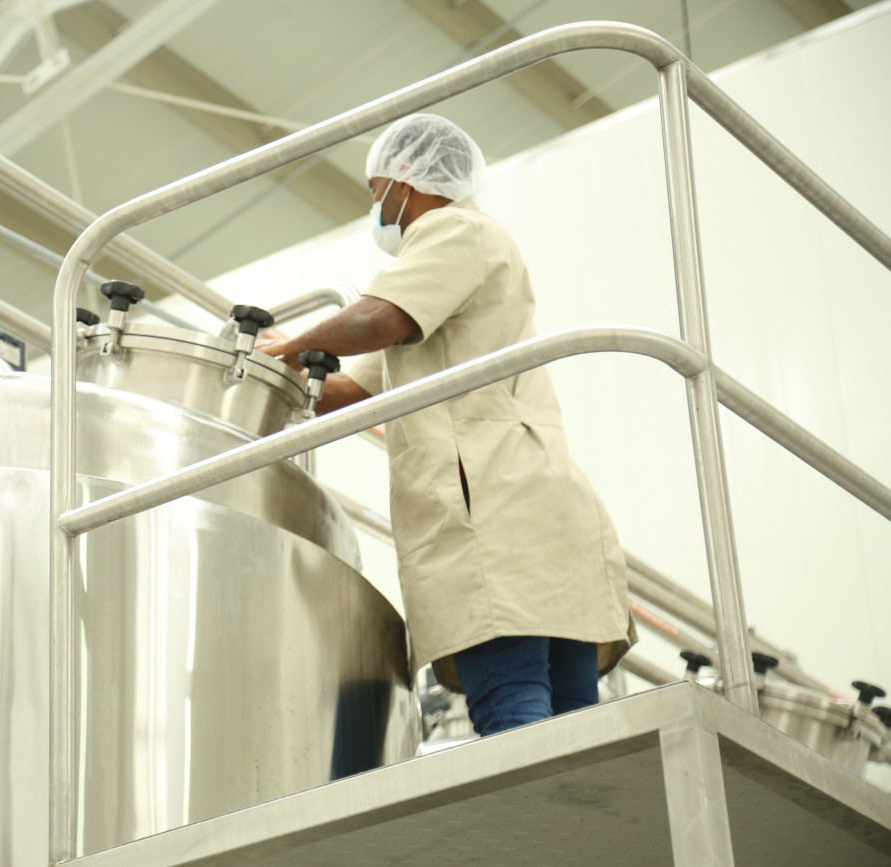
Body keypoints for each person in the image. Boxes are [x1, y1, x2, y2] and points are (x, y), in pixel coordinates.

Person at [260, 113, 634, 737]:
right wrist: (289, 373)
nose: (376, 208)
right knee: (574, 727)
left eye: (376, 191)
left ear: (406, 179)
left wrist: (287, 346)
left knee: (513, 707)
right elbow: (356, 388)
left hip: (492, 511)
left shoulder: (453, 229)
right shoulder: (459, 274)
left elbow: (377, 320)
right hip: (542, 516)